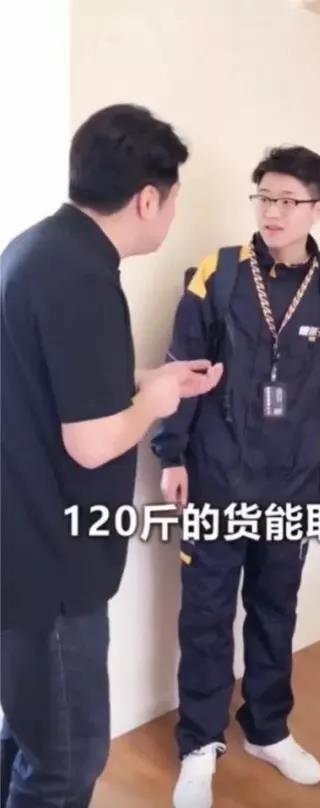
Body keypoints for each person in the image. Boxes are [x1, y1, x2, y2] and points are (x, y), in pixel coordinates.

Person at [0, 104, 221, 808]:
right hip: (51, 566)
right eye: (174, 200)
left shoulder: (38, 251)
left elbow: (55, 382)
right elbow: (91, 442)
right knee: (67, 763)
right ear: (147, 199)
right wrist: (156, 404)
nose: (173, 216)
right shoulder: (84, 279)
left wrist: (149, 380)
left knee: (28, 739)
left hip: (20, 549)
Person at [151, 145, 320, 808]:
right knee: (207, 614)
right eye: (265, 197)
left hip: (296, 481)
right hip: (216, 479)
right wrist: (171, 455)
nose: (273, 212)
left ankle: (268, 728)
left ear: (318, 209)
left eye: (289, 201)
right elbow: (183, 372)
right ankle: (199, 743)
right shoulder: (217, 275)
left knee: (276, 611)